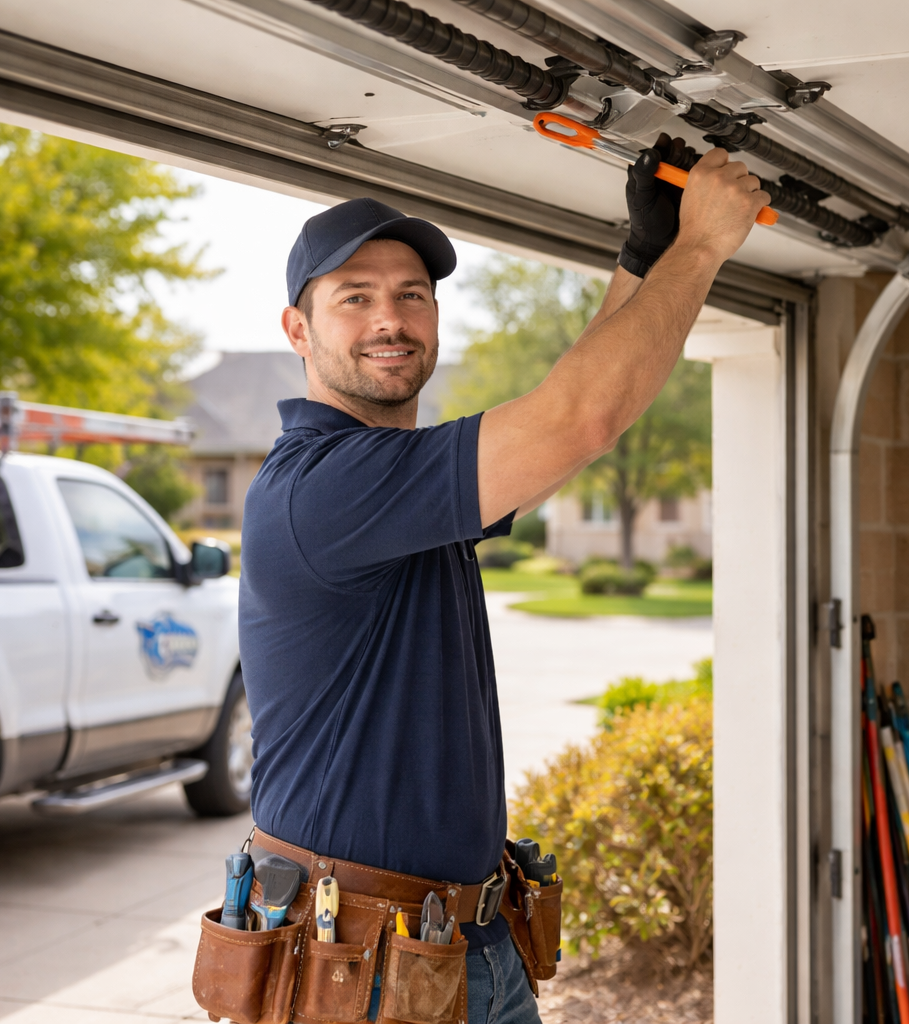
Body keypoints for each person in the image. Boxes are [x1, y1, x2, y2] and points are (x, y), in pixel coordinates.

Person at [238, 138, 769, 1023]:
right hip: (361, 969)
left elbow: (565, 424)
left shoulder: (400, 486)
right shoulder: (324, 489)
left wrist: (642, 259)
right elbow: (580, 418)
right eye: (354, 298)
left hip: (459, 943)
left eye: (412, 296)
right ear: (298, 329)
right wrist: (703, 246)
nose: (390, 319)